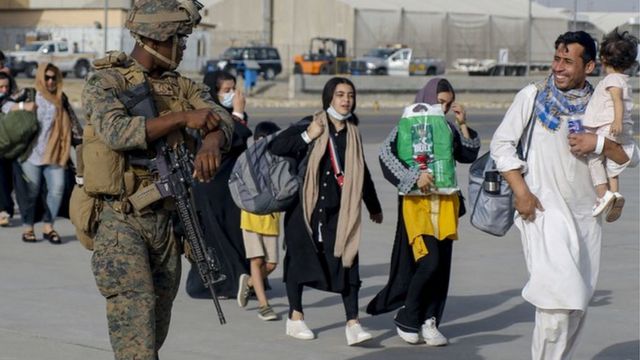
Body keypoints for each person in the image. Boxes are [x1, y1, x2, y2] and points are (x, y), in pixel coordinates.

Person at [81, 0, 234, 358]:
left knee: (154, 331)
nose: (182, 48)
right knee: (136, 336)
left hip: (167, 224)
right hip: (122, 221)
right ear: (158, 38)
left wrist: (211, 142)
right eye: (178, 39)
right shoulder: (107, 81)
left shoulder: (180, 86)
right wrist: (181, 119)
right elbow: (117, 131)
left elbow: (221, 117)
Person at [490, 31, 632, 360]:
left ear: (590, 65)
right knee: (556, 301)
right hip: (541, 211)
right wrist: (521, 191)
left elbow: (628, 155)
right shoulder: (533, 95)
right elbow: (501, 144)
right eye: (556, 59)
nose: (559, 67)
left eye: (568, 61)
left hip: (587, 218)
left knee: (577, 304)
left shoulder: (603, 103)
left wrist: (596, 144)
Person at [269, 77, 383, 345]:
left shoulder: (353, 132)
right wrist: (308, 135)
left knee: (348, 261)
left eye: (350, 95)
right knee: (298, 263)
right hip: (305, 210)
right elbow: (277, 146)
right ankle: (295, 318)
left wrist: (373, 205)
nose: (346, 100)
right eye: (340, 94)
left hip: (339, 212)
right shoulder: (313, 122)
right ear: (329, 97)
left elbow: (361, 172)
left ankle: (353, 323)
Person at [367, 78, 480, 345]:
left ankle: (430, 320)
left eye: (449, 104)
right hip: (416, 204)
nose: (444, 108)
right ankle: (408, 315)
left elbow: (467, 155)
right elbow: (385, 156)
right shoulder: (406, 126)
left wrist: (463, 124)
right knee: (427, 262)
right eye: (440, 102)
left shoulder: (448, 128)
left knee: (441, 265)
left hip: (446, 204)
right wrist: (413, 177)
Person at [186, 70, 253, 300]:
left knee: (234, 234)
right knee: (215, 238)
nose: (232, 95)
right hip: (211, 186)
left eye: (233, 89)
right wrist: (237, 113)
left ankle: (241, 280)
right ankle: (222, 284)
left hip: (230, 188)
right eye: (226, 91)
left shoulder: (231, 116)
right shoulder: (209, 117)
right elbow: (234, 138)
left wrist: (237, 114)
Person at [17, 63, 81, 243]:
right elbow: (5, 104)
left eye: (54, 78)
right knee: (32, 192)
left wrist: (85, 146)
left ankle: (48, 227)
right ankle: (28, 228)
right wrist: (22, 106)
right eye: (47, 77)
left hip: (56, 155)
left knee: (57, 189)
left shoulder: (62, 99)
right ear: (40, 78)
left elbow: (75, 127)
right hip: (31, 155)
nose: (51, 81)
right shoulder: (29, 94)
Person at [583, 28, 639, 221]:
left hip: (609, 126)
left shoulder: (612, 80)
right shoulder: (624, 80)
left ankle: (602, 195)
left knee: (594, 158)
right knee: (612, 166)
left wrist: (615, 121)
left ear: (603, 59)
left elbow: (616, 101)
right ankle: (615, 195)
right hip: (621, 128)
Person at [237, 121, 282, 321]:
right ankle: (264, 306)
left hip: (271, 218)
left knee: (271, 264)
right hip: (251, 216)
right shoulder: (247, 160)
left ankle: (248, 283)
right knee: (257, 260)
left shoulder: (279, 161)